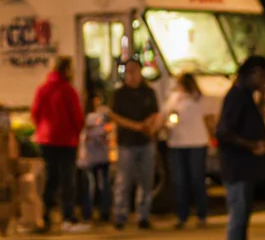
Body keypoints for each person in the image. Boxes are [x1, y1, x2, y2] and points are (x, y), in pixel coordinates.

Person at [216, 55, 265, 240]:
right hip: (236, 167)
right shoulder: (237, 97)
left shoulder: (246, 96)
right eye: (264, 77)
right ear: (253, 73)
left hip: (245, 167)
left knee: (243, 215)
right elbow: (223, 132)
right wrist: (251, 145)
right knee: (238, 215)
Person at [30, 56, 86, 233]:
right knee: (67, 179)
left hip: (46, 139)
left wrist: (42, 129)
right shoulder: (68, 90)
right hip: (66, 140)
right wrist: (77, 134)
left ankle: (45, 216)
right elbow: (77, 117)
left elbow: (35, 113)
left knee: (50, 179)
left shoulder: (43, 89)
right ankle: (68, 216)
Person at [108, 58, 160, 230]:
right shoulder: (119, 94)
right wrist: (136, 126)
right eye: (128, 71)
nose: (131, 75)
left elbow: (155, 113)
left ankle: (143, 216)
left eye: (134, 71)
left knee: (146, 180)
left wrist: (148, 124)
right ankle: (120, 215)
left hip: (145, 142)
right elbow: (114, 116)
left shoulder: (148, 92)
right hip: (126, 143)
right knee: (123, 181)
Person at [163, 72, 212, 229]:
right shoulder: (175, 98)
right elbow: (166, 116)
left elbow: (209, 119)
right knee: (180, 181)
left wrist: (211, 137)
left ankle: (200, 214)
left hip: (197, 143)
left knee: (197, 179)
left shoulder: (199, 98)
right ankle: (182, 215)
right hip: (178, 143)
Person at [78, 94, 112, 223]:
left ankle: (88, 213)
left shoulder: (84, 118)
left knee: (90, 186)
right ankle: (104, 212)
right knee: (101, 185)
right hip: (99, 156)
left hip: (88, 157)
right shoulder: (97, 117)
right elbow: (102, 131)